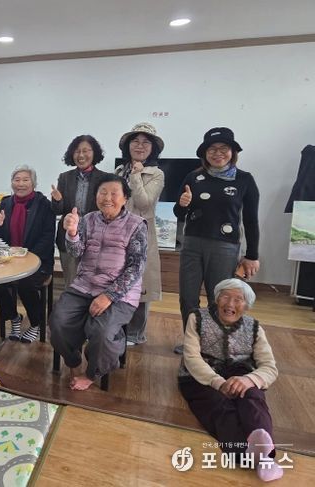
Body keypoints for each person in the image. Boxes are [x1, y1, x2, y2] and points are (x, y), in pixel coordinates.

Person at [178, 278, 282, 482]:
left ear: (246, 305)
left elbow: (269, 367)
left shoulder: (254, 327)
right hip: (201, 375)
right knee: (217, 405)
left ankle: (265, 453)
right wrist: (217, 382)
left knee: (253, 398)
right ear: (217, 299)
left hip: (240, 372)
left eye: (238, 299)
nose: (230, 304)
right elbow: (191, 358)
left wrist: (249, 380)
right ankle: (246, 453)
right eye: (225, 297)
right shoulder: (197, 318)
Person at [50, 174, 147, 390]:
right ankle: (73, 360)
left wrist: (109, 296)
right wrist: (72, 233)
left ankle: (92, 373)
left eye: (114, 193)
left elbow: (136, 267)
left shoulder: (136, 225)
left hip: (119, 294)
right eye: (103, 193)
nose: (107, 198)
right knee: (57, 321)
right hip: (84, 286)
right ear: (96, 197)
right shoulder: (88, 219)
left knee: (102, 333)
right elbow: (76, 252)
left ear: (125, 198)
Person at [174, 127, 260, 354]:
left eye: (224, 148)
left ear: (233, 152)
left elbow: (251, 220)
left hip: (225, 247)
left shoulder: (245, 180)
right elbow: (178, 213)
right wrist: (182, 204)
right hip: (192, 244)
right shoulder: (193, 177)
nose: (218, 153)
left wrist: (252, 255)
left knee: (219, 298)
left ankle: (214, 345)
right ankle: (192, 343)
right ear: (205, 153)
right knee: (188, 298)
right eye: (212, 149)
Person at [0, 165, 56, 343]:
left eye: (25, 180)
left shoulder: (44, 204)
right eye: (17, 180)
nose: (20, 184)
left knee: (26, 283)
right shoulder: (5, 203)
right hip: (9, 259)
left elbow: (48, 236)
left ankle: (35, 323)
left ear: (33, 183)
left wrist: (27, 256)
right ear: (12, 183)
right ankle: (14, 317)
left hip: (38, 260)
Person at [115, 122, 165, 346]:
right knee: (118, 278)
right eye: (135, 141)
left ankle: (136, 333)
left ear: (153, 148)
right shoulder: (119, 171)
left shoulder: (156, 173)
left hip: (140, 235)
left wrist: (136, 175)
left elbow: (144, 203)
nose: (140, 145)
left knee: (140, 282)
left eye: (146, 142)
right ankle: (118, 327)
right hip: (118, 233)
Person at [50, 135, 108, 288]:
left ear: (94, 153)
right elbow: (58, 211)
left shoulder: (105, 178)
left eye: (86, 151)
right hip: (68, 236)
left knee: (94, 283)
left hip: (95, 238)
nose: (81, 155)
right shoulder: (65, 178)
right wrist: (57, 200)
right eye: (77, 151)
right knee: (71, 282)